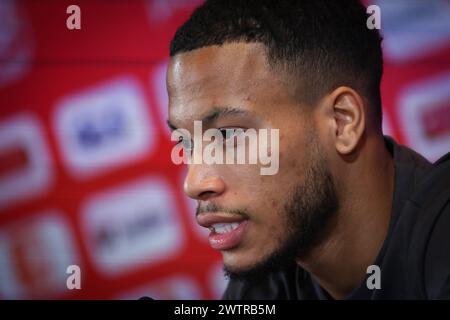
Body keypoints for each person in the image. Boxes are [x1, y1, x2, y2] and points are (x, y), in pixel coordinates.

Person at [166, 0, 450, 299]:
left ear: (343, 122)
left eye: (228, 134)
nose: (194, 183)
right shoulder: (266, 281)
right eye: (186, 142)